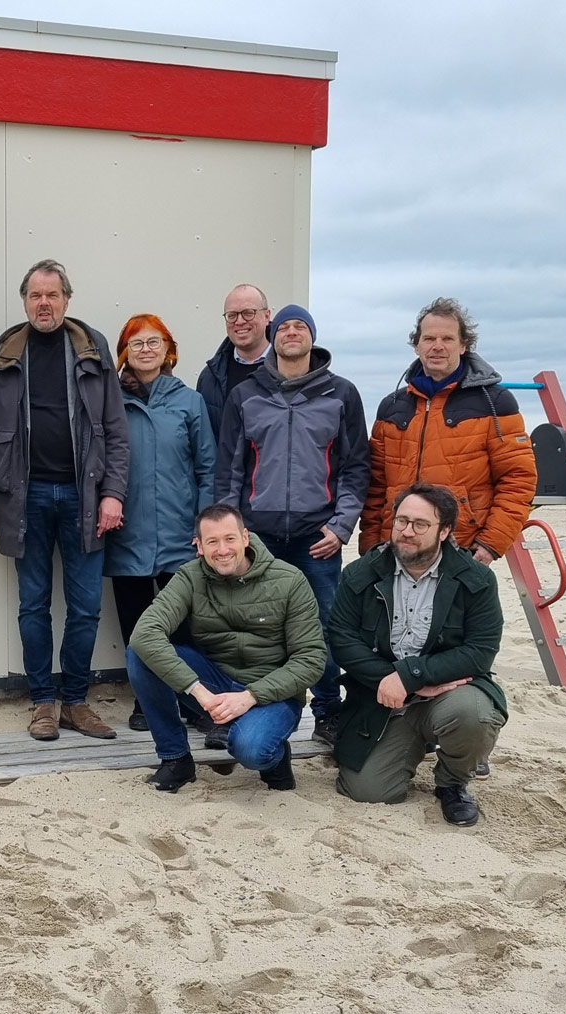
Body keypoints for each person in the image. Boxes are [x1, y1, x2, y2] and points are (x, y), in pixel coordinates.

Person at [0, 259, 128, 742]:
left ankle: (76, 701)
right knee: (33, 605)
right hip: (23, 497)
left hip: (86, 497)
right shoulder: (5, 353)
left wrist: (112, 494)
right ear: (25, 301)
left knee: (86, 607)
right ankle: (42, 703)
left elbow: (116, 433)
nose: (44, 304)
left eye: (52, 295)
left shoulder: (93, 350)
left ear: (67, 299)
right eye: (35, 296)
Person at [215, 304, 369, 744]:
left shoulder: (342, 394)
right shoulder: (246, 395)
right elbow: (229, 471)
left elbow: (356, 467)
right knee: (249, 625)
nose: (291, 332)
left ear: (312, 338)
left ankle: (327, 712)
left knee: (321, 625)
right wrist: (235, 534)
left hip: (317, 537)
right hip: (258, 537)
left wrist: (340, 527)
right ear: (273, 336)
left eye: (300, 326)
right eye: (283, 327)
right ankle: (243, 712)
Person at [328, 484, 508, 826]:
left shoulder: (477, 579)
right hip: (382, 699)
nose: (407, 532)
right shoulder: (360, 574)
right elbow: (341, 640)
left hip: (448, 693)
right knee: (367, 790)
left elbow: (480, 651)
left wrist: (409, 676)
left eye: (420, 524)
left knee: (473, 715)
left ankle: (452, 783)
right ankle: (414, 743)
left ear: (445, 531)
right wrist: (392, 680)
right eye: (401, 521)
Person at [125, 504, 326, 793]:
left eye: (230, 539)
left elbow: (311, 660)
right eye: (212, 542)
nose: (222, 550)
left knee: (253, 751)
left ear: (245, 537)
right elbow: (145, 633)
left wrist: (249, 697)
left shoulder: (290, 580)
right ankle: (176, 759)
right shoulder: (190, 577)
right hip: (216, 683)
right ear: (199, 545)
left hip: (273, 692)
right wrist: (200, 693)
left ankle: (276, 756)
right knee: (138, 654)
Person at [101, 314, 215, 732]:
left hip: (179, 535)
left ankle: (190, 699)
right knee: (136, 625)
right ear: (123, 353)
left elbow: (208, 467)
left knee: (183, 625)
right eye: (136, 343)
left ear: (169, 351)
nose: (145, 350)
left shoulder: (189, 402)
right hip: (125, 532)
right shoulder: (109, 400)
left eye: (154, 342)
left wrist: (202, 526)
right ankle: (145, 699)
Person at [359, 297, 536, 561]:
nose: (438, 347)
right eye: (429, 339)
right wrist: (370, 546)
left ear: (464, 345)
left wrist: (491, 543)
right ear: (417, 345)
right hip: (396, 545)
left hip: (461, 547)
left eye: (448, 339)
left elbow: (518, 480)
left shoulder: (495, 402)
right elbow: (375, 487)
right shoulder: (392, 407)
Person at [194, 284, 272, 442]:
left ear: (267, 316)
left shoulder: (288, 371)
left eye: (248, 313)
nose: (240, 321)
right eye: (232, 315)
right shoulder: (209, 377)